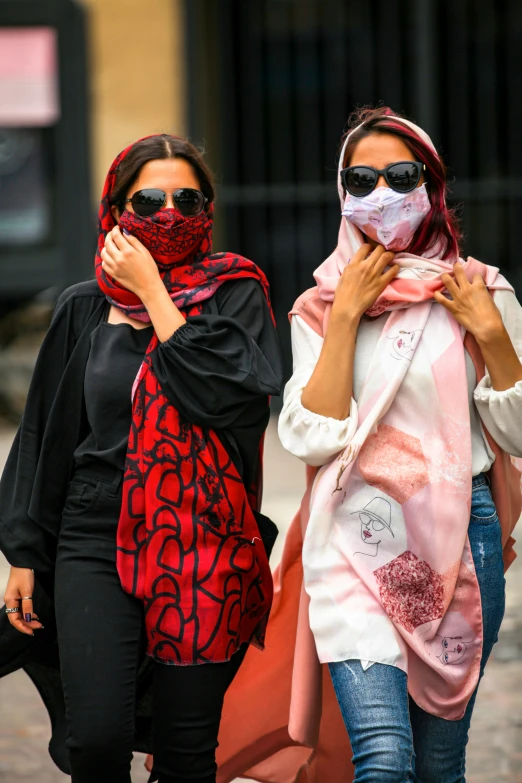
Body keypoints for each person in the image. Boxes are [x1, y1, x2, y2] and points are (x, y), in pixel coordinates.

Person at [0, 134, 283, 783]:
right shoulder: (81, 307)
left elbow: (223, 397)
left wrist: (154, 291)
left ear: (209, 208)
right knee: (95, 740)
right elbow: (44, 431)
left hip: (203, 542)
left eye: (187, 198)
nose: (168, 213)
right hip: (93, 534)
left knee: (186, 758)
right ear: (115, 210)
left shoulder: (235, 294)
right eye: (147, 199)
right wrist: (22, 550)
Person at [277, 106, 522, 782]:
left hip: (457, 543)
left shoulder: (481, 290)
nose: (379, 193)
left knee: (439, 766)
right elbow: (309, 434)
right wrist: (349, 315)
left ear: (431, 185)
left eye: (400, 175)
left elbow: (517, 434)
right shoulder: (321, 305)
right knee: (384, 758)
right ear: (341, 191)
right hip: (357, 537)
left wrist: (492, 335)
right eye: (361, 179)